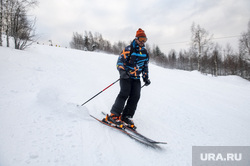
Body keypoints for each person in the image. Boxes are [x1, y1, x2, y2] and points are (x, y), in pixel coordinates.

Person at [106, 28, 151, 129]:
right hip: (126, 76)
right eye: (141, 39)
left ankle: (126, 116)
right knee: (124, 93)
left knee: (136, 96)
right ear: (136, 38)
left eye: (145, 39)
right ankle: (114, 115)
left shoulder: (145, 52)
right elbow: (120, 62)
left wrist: (145, 78)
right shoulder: (129, 49)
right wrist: (122, 72)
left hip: (136, 78)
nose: (143, 41)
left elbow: (145, 66)